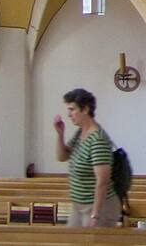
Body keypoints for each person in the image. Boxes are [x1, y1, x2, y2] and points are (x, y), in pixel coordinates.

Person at [55, 88, 121, 227]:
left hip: (98, 206)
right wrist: (60, 134)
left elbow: (102, 180)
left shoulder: (97, 140)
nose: (69, 114)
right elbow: (62, 157)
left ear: (85, 109)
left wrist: (95, 215)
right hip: (79, 205)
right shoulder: (81, 133)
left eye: (72, 109)